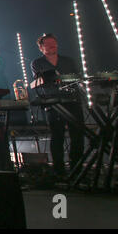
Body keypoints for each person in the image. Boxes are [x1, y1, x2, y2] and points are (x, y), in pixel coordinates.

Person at [31, 33, 84, 178]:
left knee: (77, 134)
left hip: (72, 100)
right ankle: (59, 170)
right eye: (48, 44)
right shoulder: (37, 63)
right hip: (53, 102)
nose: (52, 46)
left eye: (53, 43)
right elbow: (40, 81)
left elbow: (78, 77)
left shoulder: (68, 61)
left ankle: (78, 168)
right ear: (41, 47)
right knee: (57, 135)